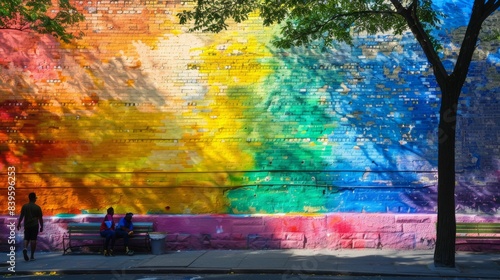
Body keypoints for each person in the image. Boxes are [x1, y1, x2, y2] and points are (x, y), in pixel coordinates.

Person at [17, 192, 43, 261]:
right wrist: (41, 226)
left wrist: (18, 224)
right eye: (35, 198)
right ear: (34, 198)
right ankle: (32, 256)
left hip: (27, 225)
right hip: (34, 225)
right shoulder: (37, 208)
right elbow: (40, 218)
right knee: (33, 240)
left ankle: (25, 248)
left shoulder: (25, 206)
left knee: (26, 238)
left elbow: (21, 216)